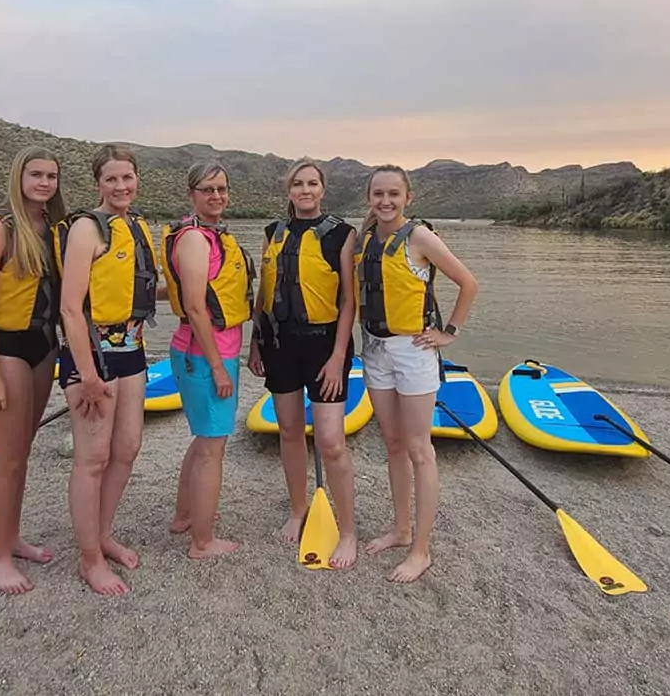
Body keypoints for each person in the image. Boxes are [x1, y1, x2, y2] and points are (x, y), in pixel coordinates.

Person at [354, 165, 478, 583]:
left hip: (413, 351)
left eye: (393, 194)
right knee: (391, 443)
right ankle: (400, 528)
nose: (385, 201)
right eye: (378, 194)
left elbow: (468, 283)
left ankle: (421, 550)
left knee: (418, 448)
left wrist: (449, 333)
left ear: (409, 197)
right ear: (369, 197)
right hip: (375, 349)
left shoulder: (420, 238)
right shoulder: (367, 239)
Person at [55, 144, 159, 596]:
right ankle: (89, 559)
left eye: (127, 178)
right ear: (98, 182)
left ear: (137, 180)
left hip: (132, 347)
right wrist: (87, 374)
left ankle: (102, 533)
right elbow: (69, 308)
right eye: (111, 179)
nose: (120, 186)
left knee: (129, 447)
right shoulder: (86, 228)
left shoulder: (135, 226)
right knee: (92, 458)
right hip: (92, 355)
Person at [248, 157, 360, 569]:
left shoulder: (343, 235)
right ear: (289, 190)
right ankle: (298, 510)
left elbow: (349, 301)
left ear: (323, 190)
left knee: (331, 442)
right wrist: (255, 343)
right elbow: (263, 292)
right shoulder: (272, 233)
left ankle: (348, 531)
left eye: (313, 183)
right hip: (280, 344)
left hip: (324, 346)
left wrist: (336, 359)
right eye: (298, 184)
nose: (306, 190)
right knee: (290, 432)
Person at [0, 146, 66, 595]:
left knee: (22, 450)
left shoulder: (54, 228)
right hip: (4, 349)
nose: (45, 183)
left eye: (51, 176)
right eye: (36, 175)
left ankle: (12, 538)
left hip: (42, 346)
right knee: (7, 457)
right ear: (19, 177)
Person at [160, 162, 253, 559]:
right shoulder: (197, 239)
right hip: (205, 354)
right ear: (191, 194)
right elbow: (196, 307)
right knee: (214, 447)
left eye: (222, 189)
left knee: (203, 442)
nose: (216, 196)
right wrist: (217, 366)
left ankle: (185, 516)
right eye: (207, 189)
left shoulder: (209, 236)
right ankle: (202, 541)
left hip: (202, 351)